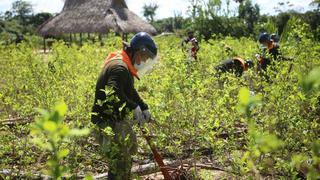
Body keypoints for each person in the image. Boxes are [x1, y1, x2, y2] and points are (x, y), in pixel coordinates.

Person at [91, 32, 157, 180]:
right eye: (145, 58)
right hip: (106, 121)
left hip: (114, 119)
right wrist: (133, 107)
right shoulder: (119, 68)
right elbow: (112, 93)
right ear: (138, 52)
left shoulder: (124, 64)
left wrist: (143, 105)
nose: (144, 62)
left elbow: (129, 90)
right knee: (119, 163)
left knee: (127, 154)